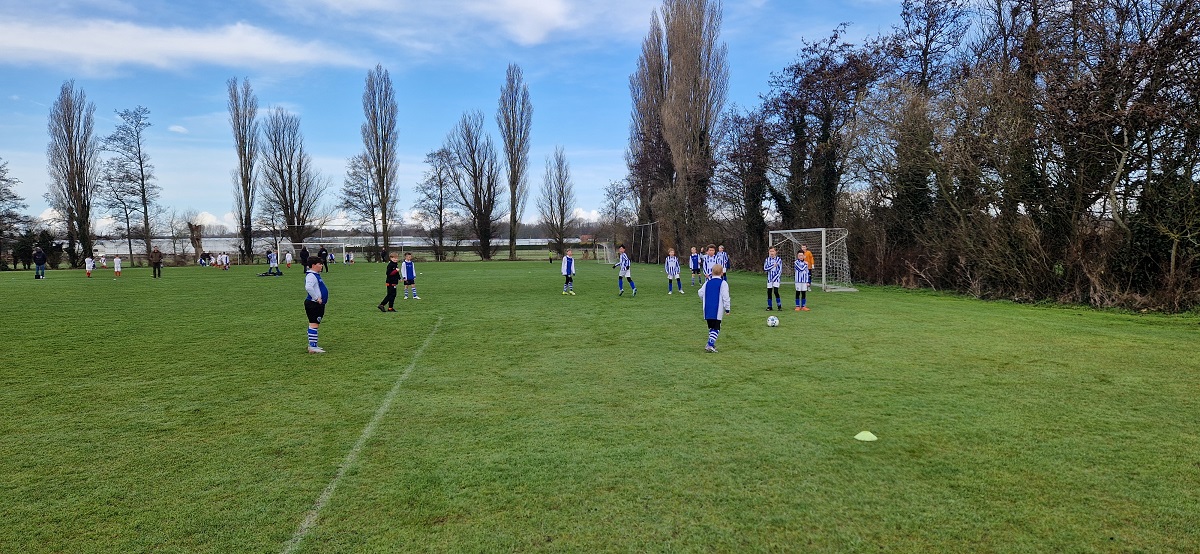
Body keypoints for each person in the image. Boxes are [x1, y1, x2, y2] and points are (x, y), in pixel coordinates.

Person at [698, 263, 731, 353]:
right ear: (722, 273)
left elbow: (700, 293)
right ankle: (709, 344)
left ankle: (711, 344)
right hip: (717, 309)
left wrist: (705, 299)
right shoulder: (723, 283)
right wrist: (727, 308)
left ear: (712, 272)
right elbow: (725, 297)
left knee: (712, 327)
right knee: (716, 328)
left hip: (707, 309)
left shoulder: (707, 282)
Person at [304, 257, 329, 353]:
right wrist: (316, 298)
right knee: (314, 324)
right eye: (320, 264)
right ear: (314, 265)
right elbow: (308, 287)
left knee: (314, 324)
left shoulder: (315, 275)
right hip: (313, 303)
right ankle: (312, 347)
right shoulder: (311, 275)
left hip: (317, 304)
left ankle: (313, 345)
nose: (321, 266)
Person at [764, 247, 783, 311]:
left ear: (775, 252)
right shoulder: (767, 260)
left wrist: (775, 277)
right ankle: (770, 306)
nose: (771, 253)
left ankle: (779, 306)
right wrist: (773, 266)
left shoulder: (778, 260)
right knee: (769, 292)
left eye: (773, 251)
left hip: (776, 279)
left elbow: (780, 270)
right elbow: (765, 268)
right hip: (769, 279)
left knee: (775, 291)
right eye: (770, 251)